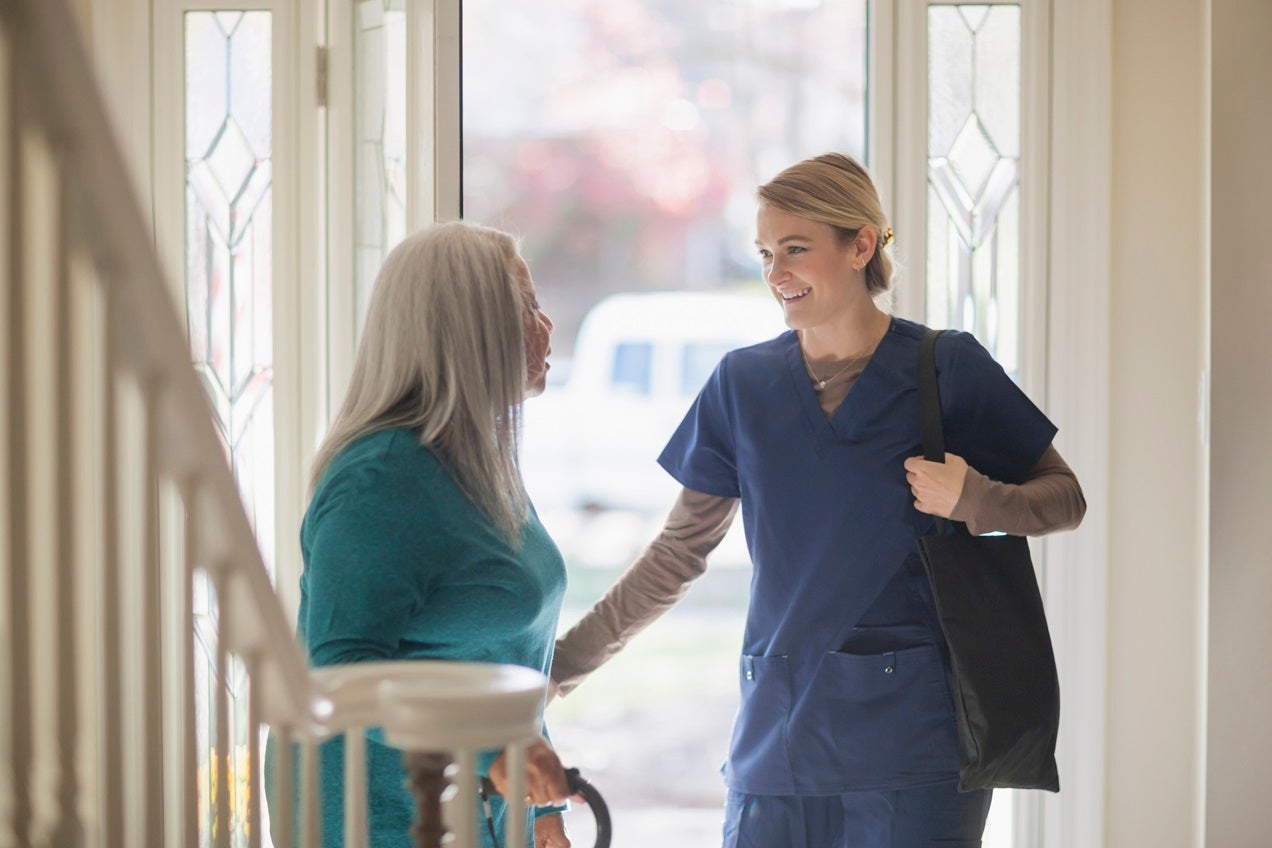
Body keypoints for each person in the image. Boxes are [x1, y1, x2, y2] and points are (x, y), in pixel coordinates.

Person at [549, 153, 1086, 848]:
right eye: (767, 253)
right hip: (778, 738)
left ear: (860, 244)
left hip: (918, 751)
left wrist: (974, 497)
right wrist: (563, 665)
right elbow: (677, 553)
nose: (776, 274)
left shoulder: (945, 369)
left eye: (796, 250)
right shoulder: (742, 385)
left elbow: (1063, 497)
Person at [266, 221, 573, 848]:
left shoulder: (480, 459)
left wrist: (542, 815)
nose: (547, 327)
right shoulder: (379, 480)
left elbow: (505, 660)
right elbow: (337, 674)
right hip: (372, 815)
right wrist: (491, 754)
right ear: (473, 330)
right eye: (528, 307)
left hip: (474, 803)